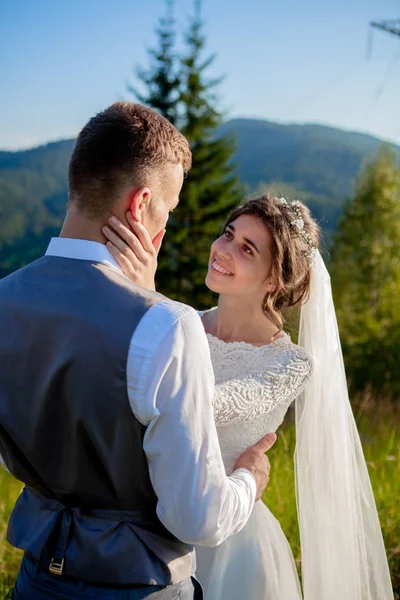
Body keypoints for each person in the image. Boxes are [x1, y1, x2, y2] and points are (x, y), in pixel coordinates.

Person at [0, 102, 277, 600]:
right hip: (137, 588)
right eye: (167, 210)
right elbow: (198, 516)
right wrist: (249, 481)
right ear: (139, 204)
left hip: (36, 583)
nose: (164, 229)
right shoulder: (167, 324)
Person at [103, 193, 394, 600]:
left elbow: (197, 405)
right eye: (228, 234)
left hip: (232, 544)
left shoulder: (289, 364)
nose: (222, 251)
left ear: (273, 279)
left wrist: (149, 297)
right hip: (151, 527)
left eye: (247, 249)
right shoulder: (180, 323)